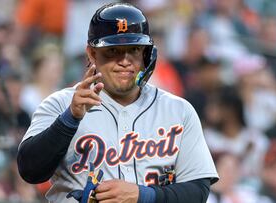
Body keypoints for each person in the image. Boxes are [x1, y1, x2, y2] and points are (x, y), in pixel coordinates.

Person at [17, 2, 218, 203]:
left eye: (134, 50)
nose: (124, 60)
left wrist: (142, 195)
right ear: (92, 54)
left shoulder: (178, 111)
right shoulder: (60, 105)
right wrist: (69, 119)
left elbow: (198, 191)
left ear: (147, 55)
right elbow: (30, 171)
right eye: (113, 51)